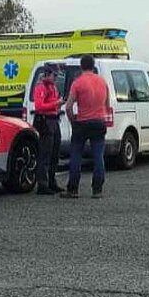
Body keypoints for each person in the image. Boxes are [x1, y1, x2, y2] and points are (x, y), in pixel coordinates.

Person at [61, 55, 111, 199]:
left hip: (82, 122)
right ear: (93, 66)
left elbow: (68, 107)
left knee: (76, 155)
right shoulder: (103, 82)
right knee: (98, 156)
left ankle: (73, 189)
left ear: (81, 66)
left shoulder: (77, 83)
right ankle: (97, 189)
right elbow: (107, 105)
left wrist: (73, 122)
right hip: (99, 122)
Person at [32, 64, 63, 195]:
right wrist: (56, 104)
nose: (56, 78)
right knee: (45, 154)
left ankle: (51, 181)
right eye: (54, 75)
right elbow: (39, 106)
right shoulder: (41, 87)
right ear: (47, 73)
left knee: (54, 153)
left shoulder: (53, 86)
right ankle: (42, 184)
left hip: (54, 120)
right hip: (45, 121)